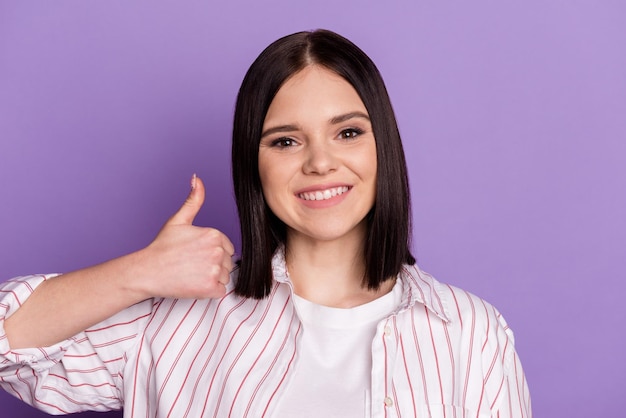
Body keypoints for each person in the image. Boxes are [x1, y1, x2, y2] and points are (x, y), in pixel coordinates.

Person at [0, 29, 531, 417]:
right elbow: (9, 351)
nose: (320, 162)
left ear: (382, 147)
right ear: (253, 163)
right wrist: (137, 273)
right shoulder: (172, 320)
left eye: (347, 133)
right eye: (285, 140)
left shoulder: (472, 334)